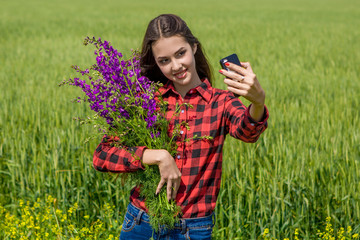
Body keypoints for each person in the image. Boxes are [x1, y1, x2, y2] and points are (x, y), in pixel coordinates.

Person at [93, 14, 269, 240]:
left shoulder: (221, 102)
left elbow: (248, 131)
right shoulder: (146, 100)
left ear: (194, 47)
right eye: (164, 60)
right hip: (140, 222)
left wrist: (258, 101)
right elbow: (102, 155)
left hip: (192, 228)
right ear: (156, 63)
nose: (176, 66)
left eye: (180, 53)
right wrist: (156, 156)